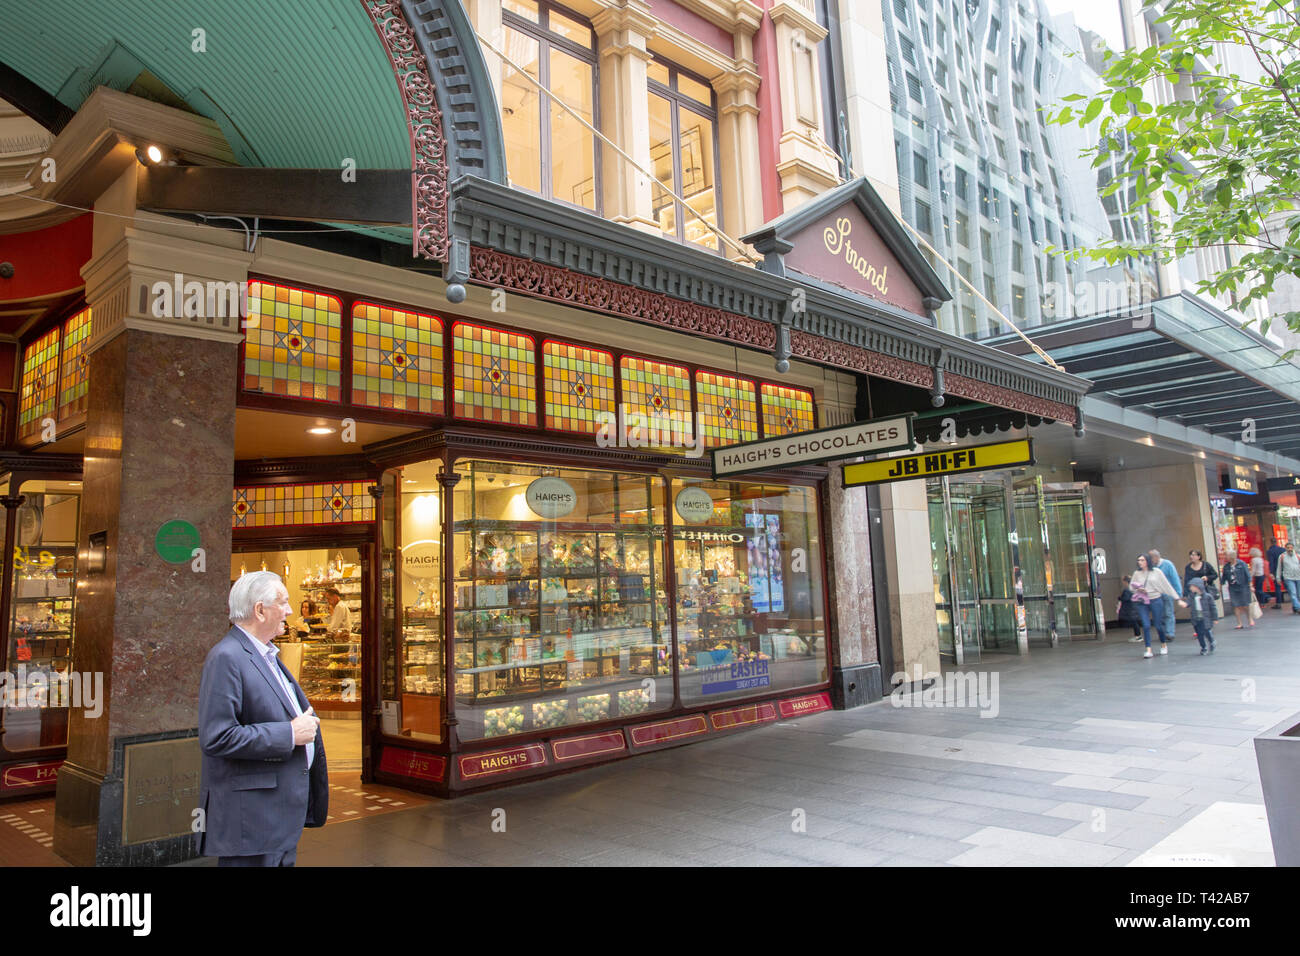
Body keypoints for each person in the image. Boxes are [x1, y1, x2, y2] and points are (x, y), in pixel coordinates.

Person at [197, 571, 328, 866]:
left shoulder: (266, 655)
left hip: (277, 817)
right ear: (259, 610)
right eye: (282, 602)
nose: (290, 611)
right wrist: (290, 734)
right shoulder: (227, 657)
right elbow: (217, 736)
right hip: (252, 821)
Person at [1131, 554, 1187, 659]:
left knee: (1158, 625)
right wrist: (1138, 589)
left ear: (1147, 561)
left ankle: (1163, 644)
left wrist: (1178, 599)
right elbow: (1131, 587)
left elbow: (1167, 586)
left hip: (1155, 600)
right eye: (1138, 560)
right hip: (1142, 601)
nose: (1140, 562)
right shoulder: (1136, 573)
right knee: (1146, 625)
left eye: (1142, 560)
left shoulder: (1157, 572)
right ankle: (1148, 649)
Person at [1148, 549, 1181, 641]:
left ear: (1156, 557)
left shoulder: (1167, 564)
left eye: (1150, 558)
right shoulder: (1151, 567)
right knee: (1159, 614)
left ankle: (1170, 633)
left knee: (1168, 612)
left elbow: (1175, 578)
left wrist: (1178, 593)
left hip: (1167, 593)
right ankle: (1163, 633)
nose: (1149, 560)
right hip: (1156, 594)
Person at [1223, 553, 1255, 629]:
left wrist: (1250, 585)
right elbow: (1224, 577)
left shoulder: (1241, 564)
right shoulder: (1226, 566)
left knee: (1245, 604)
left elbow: (1247, 575)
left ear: (1231, 557)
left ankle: (1249, 618)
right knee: (1235, 605)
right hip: (1233, 587)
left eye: (1226, 555)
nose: (1225, 557)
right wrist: (1220, 586)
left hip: (1243, 586)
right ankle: (1239, 623)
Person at [1186, 578, 1217, 656]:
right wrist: (1184, 604)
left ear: (1197, 586)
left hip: (1205, 618)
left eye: (1192, 586)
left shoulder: (1208, 597)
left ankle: (1211, 641)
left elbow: (1213, 608)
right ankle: (1203, 647)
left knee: (1207, 631)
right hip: (1196, 618)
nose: (1190, 588)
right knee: (1199, 634)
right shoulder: (1191, 596)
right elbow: (1187, 603)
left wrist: (1215, 618)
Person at [1116, 575, 1142, 640]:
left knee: (1134, 622)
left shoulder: (1127, 590)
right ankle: (1138, 636)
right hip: (1134, 606)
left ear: (1125, 581)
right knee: (1135, 622)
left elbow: (1125, 598)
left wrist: (1119, 598)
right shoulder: (1134, 588)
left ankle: (1138, 636)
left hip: (1130, 608)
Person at [1280, 542, 1300, 615]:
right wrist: (1278, 578)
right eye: (1288, 548)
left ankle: (1295, 607)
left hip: (1298, 577)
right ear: (1285, 548)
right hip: (1288, 577)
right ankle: (1298, 608)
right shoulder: (1282, 556)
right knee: (1293, 593)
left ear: (1293, 548)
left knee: (1298, 594)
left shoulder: (1297, 556)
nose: (1289, 549)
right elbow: (1279, 568)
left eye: (1291, 547)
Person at [1266, 538, 1287, 607]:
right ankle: (1296, 601)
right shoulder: (1282, 550)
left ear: (1271, 542)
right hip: (1284, 570)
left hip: (1276, 570)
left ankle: (1278, 603)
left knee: (1277, 587)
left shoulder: (1270, 551)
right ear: (1276, 542)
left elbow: (1271, 562)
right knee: (1288, 585)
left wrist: (1271, 572)